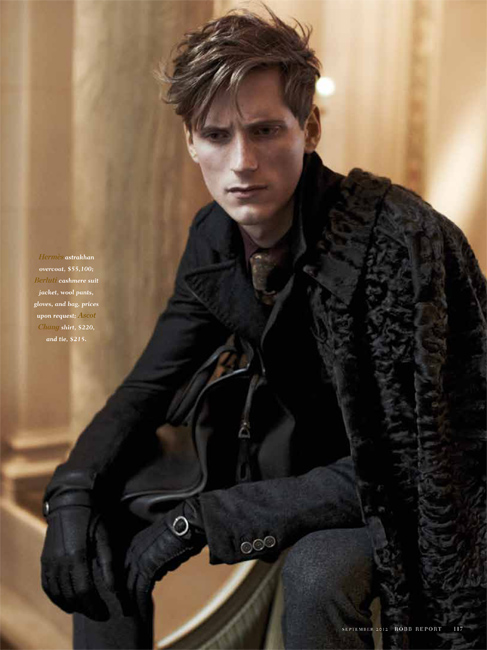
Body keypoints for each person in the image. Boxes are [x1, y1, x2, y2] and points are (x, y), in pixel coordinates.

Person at [40, 7, 486, 650]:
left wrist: (202, 520)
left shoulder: (400, 242)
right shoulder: (215, 236)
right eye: (217, 135)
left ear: (310, 128)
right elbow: (147, 388)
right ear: (191, 141)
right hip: (289, 462)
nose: (242, 161)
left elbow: (411, 462)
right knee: (96, 520)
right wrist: (70, 492)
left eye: (266, 130)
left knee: (317, 574)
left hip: (394, 488)